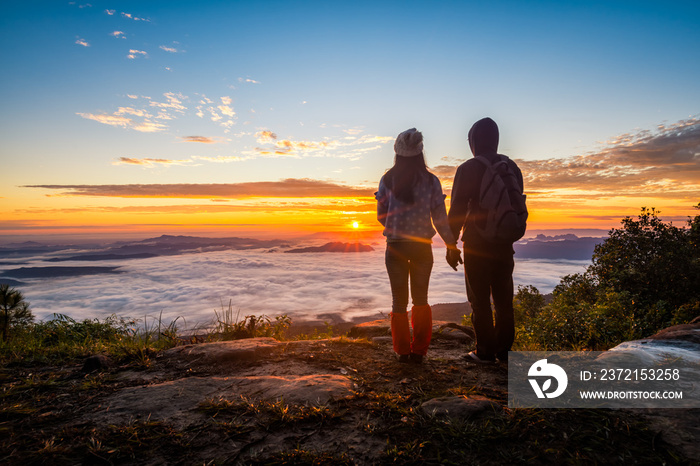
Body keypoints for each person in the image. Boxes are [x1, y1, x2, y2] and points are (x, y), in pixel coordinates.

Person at [376, 128, 459, 364]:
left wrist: (395, 225)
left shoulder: (387, 180)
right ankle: (419, 351)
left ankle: (402, 351)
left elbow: (381, 215)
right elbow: (440, 218)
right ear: (420, 152)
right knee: (421, 299)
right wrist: (451, 244)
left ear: (397, 153)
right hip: (422, 248)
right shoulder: (431, 181)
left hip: (395, 247)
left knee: (398, 301)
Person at [447, 117, 524, 363]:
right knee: (504, 300)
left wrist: (451, 245)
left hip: (477, 244)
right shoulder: (511, 167)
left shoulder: (468, 168)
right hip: (504, 244)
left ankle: (485, 352)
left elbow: (457, 210)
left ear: (474, 142)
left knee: (479, 300)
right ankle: (504, 351)